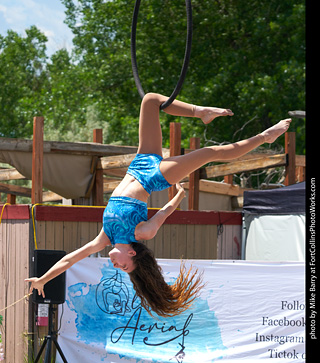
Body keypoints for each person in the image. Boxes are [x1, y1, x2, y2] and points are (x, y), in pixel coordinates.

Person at [26, 93, 291, 317]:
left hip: (139, 164)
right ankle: (265, 136)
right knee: (212, 153)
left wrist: (43, 279)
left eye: (119, 269)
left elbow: (71, 258)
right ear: (132, 255)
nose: (116, 266)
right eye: (124, 267)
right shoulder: (141, 233)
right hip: (154, 178)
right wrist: (178, 196)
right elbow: (164, 213)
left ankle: (201, 113)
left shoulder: (105, 237)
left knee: (150, 100)